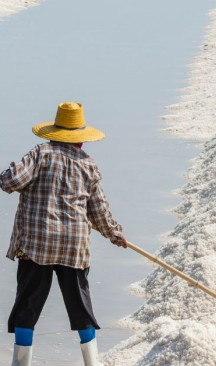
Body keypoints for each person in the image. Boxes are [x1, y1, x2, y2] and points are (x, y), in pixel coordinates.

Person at [0, 102, 128, 366]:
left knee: (27, 307)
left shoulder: (41, 154)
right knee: (81, 308)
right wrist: (115, 234)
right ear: (81, 140)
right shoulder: (88, 165)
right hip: (74, 247)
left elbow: (9, 182)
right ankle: (92, 364)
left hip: (36, 245)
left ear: (54, 132)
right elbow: (100, 212)